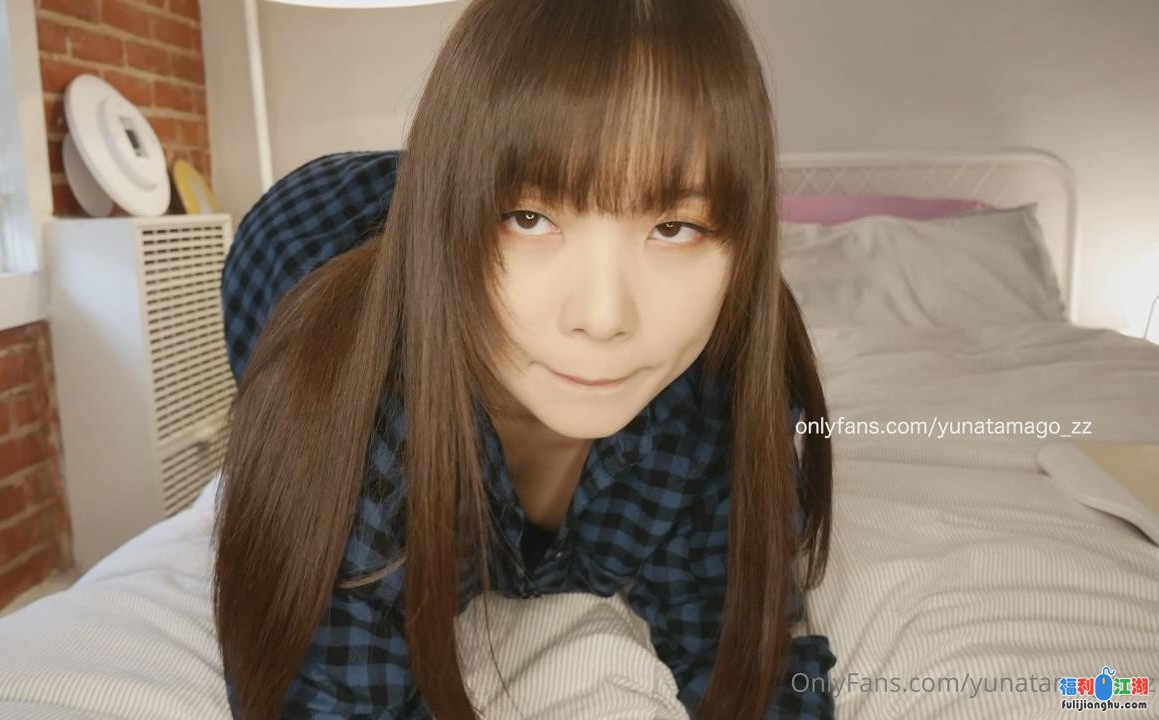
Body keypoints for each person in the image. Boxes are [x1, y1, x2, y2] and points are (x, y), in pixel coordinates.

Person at [213, 1, 836, 718]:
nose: (604, 316)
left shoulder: (724, 387)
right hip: (309, 221)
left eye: (674, 226)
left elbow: (751, 661)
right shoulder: (348, 405)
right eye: (528, 217)